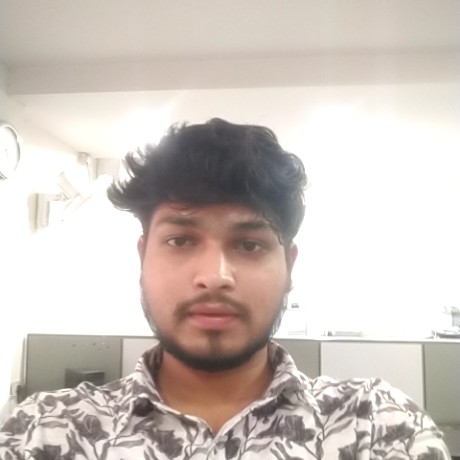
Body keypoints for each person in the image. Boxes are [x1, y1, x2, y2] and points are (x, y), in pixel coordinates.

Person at [0, 119, 450, 459]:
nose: (215, 276)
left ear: (289, 266)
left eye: (249, 245)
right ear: (142, 258)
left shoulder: (377, 426)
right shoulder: (47, 431)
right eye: (180, 240)